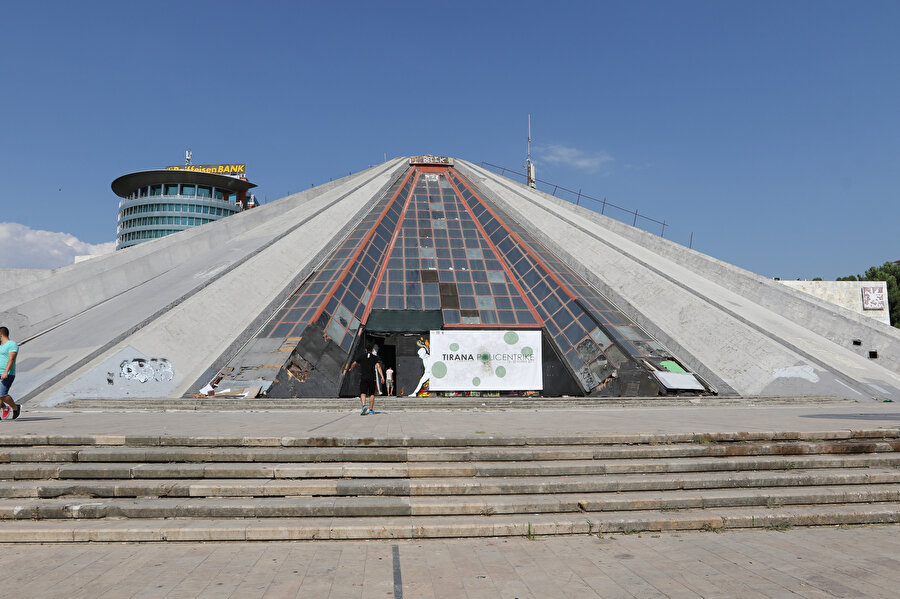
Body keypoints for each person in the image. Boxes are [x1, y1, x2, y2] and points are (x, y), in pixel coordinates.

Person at [345, 344, 384, 415]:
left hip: (364, 377)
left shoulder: (361, 356)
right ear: (372, 350)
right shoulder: (375, 357)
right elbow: (378, 366)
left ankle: (364, 406)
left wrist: (351, 368)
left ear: (365, 349)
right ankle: (371, 410)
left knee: (363, 393)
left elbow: (354, 363)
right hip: (372, 378)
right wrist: (382, 376)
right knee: (372, 394)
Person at [0, 326, 21, 420]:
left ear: (0, 335)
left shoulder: (12, 344)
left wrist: (5, 372)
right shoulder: (1, 346)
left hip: (7, 373)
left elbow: (11, 359)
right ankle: (5, 408)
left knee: (2, 394)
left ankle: (16, 407)